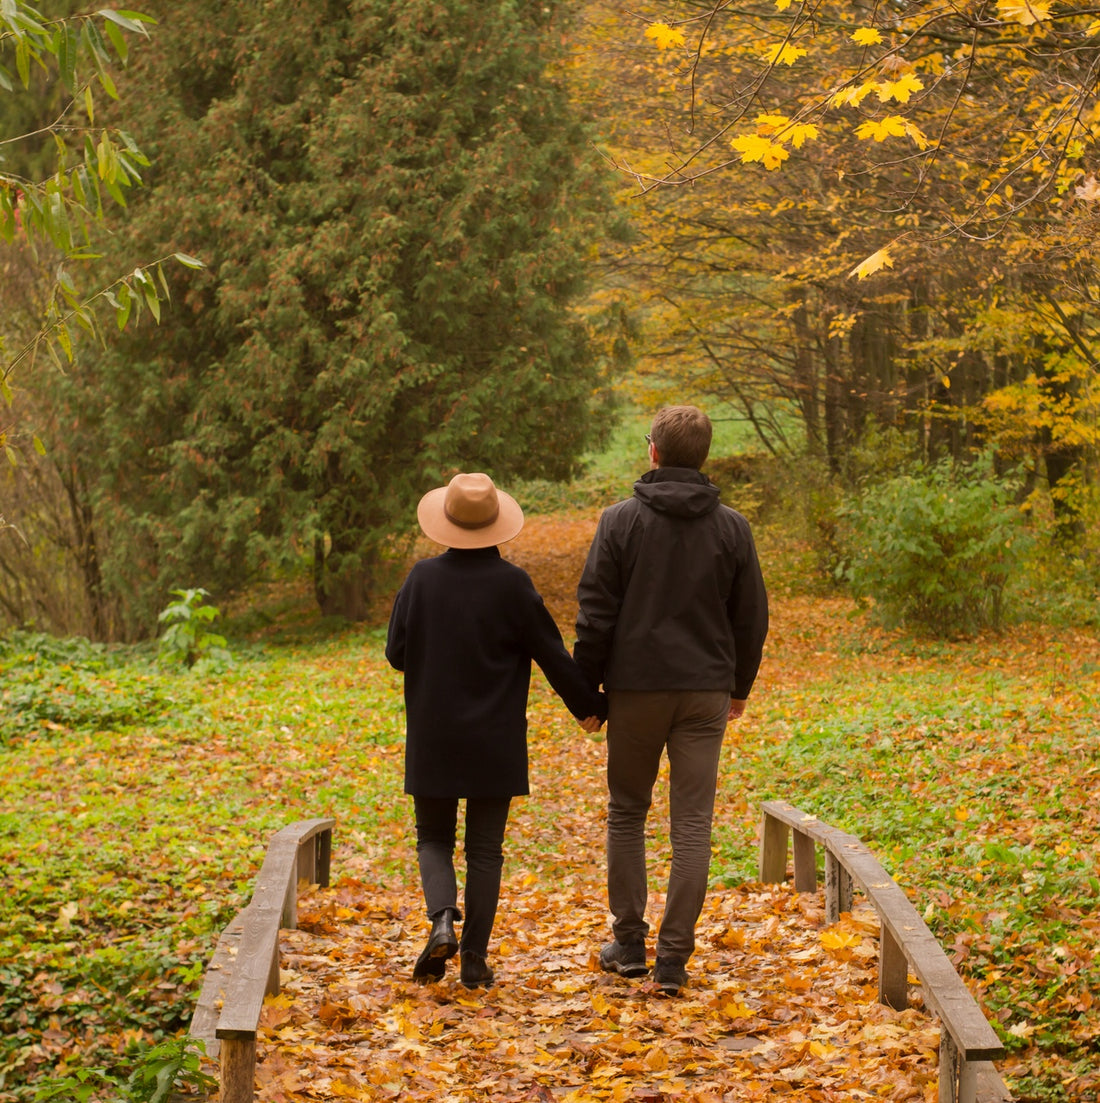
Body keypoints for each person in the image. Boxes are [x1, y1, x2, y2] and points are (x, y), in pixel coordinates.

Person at [574, 405, 768, 996]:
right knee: (691, 825)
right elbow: (751, 618)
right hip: (705, 691)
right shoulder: (732, 527)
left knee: (628, 810)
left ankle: (629, 942)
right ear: (703, 456)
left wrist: (588, 691)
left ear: (653, 451)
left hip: (635, 689)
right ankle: (674, 958)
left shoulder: (619, 522)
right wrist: (738, 687)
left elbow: (595, 614)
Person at [386, 471, 606, 989]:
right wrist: (589, 706)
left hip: (434, 734)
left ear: (445, 523)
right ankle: (474, 961)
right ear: (496, 527)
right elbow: (552, 653)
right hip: (496, 737)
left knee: (433, 837)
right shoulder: (514, 585)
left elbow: (396, 653)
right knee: (485, 851)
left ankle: (441, 917)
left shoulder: (420, 579)